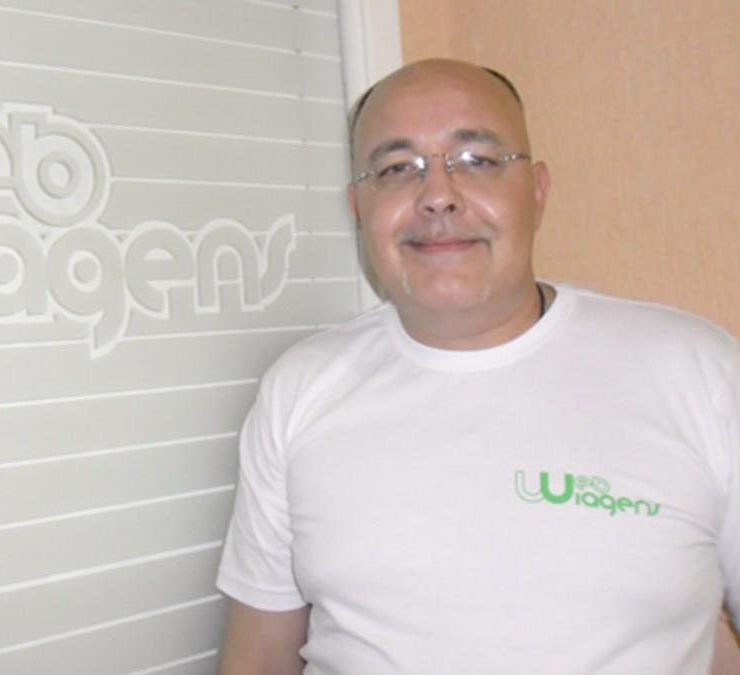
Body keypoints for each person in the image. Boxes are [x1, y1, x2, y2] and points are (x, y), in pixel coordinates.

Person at [215, 59, 739, 674]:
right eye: (396, 169)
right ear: (358, 207)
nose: (437, 195)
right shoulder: (300, 388)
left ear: (536, 192)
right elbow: (258, 656)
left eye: (477, 161)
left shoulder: (698, 371)